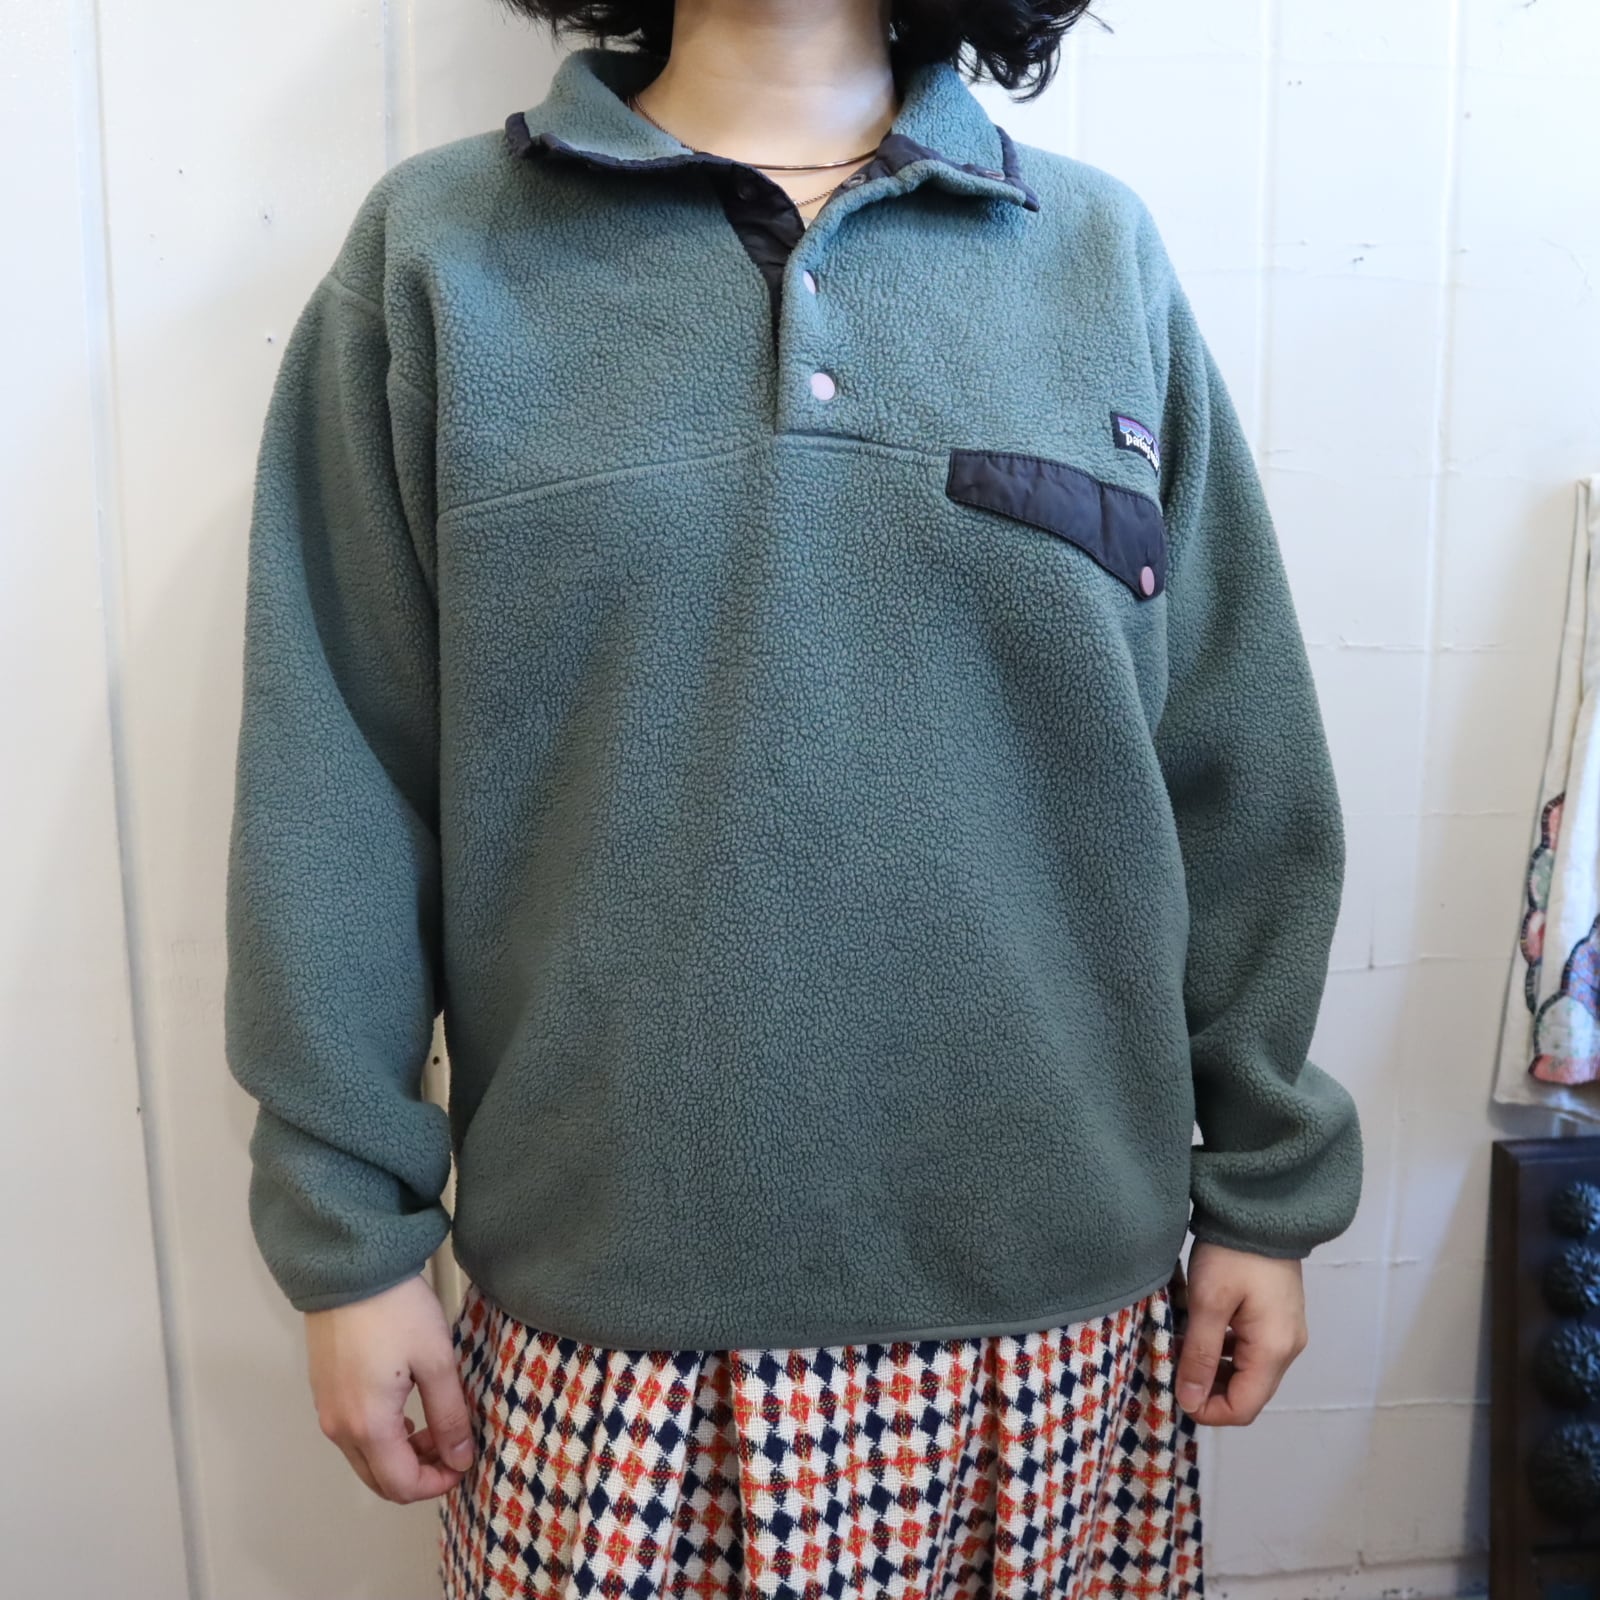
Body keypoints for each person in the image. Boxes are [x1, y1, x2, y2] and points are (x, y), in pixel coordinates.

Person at [222, 0, 1364, 1594]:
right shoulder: (440, 257)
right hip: (612, 1336)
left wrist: (1264, 1188)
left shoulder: (1094, 257)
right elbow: (336, 786)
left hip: (1054, 1333)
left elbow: (1236, 765)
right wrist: (350, 1240)